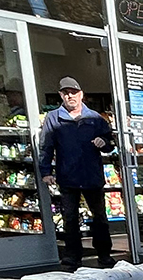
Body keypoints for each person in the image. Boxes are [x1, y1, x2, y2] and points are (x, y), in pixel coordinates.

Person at [38, 77, 116, 270]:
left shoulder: (96, 118)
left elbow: (110, 143)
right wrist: (45, 171)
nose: (70, 96)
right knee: (70, 219)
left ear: (81, 94)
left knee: (99, 217)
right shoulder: (53, 118)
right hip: (68, 176)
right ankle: (72, 257)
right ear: (60, 96)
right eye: (66, 93)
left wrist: (103, 142)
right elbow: (45, 147)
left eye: (73, 92)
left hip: (92, 176)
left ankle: (105, 255)